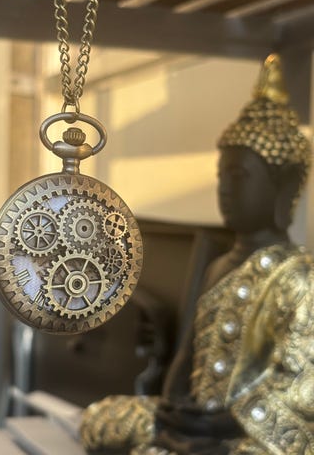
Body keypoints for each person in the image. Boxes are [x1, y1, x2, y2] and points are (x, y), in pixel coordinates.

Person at [79, 54, 314, 455]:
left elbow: (301, 385)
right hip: (197, 420)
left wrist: (225, 421)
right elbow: (187, 355)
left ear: (285, 186)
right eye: (222, 176)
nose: (225, 189)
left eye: (238, 177)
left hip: (249, 430)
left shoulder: (300, 277)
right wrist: (175, 408)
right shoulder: (218, 265)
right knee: (101, 420)